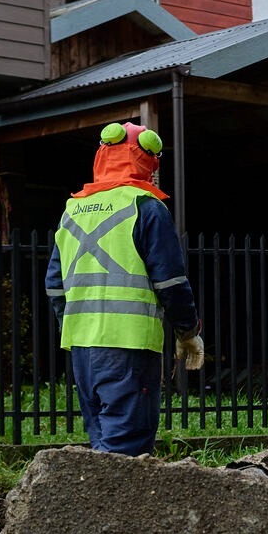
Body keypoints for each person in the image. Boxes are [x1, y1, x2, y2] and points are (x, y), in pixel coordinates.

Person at [46, 121, 203, 457]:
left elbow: (55, 287)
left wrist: (74, 324)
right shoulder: (145, 207)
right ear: (148, 161)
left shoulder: (72, 211)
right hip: (128, 345)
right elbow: (171, 282)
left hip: (83, 347)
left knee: (102, 438)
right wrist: (187, 331)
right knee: (126, 442)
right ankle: (115, 509)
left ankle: (95, 508)